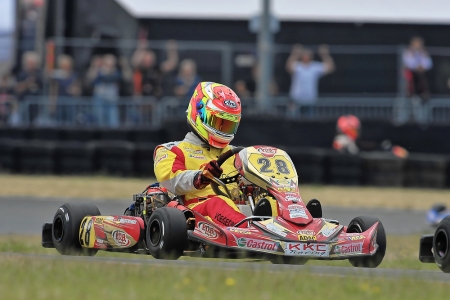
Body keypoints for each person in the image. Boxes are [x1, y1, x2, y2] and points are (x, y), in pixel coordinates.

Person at [153, 82, 248, 227]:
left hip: (235, 212)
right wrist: (201, 177)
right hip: (195, 215)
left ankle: (291, 232)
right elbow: (170, 181)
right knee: (218, 202)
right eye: (218, 122)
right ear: (199, 113)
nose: (223, 130)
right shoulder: (172, 149)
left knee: (271, 201)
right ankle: (249, 235)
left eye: (229, 125)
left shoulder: (238, 154)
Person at [286, 44, 335, 117]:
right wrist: (295, 54)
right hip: (296, 99)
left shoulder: (315, 67)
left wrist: (325, 55)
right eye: (304, 55)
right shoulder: (297, 65)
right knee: (292, 119)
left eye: (308, 55)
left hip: (310, 99)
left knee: (310, 120)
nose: (306, 57)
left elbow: (330, 68)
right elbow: (289, 67)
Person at [397, 37, 433, 124]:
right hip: (410, 82)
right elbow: (408, 62)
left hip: (420, 83)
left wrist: (421, 66)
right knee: (407, 102)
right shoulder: (408, 52)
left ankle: (422, 120)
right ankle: (404, 120)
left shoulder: (423, 53)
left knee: (422, 102)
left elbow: (428, 63)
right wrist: (417, 66)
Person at [88, 54, 122, 128]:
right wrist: (95, 67)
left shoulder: (116, 73)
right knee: (100, 121)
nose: (109, 66)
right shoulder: (99, 71)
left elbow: (123, 79)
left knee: (113, 122)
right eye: (107, 64)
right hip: (100, 99)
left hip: (112, 100)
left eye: (111, 64)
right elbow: (91, 79)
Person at [49, 54, 81, 125]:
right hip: (59, 102)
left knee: (71, 122)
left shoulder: (74, 76)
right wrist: (52, 104)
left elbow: (78, 89)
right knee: (59, 122)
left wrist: (74, 90)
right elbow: (54, 91)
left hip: (70, 102)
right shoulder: (56, 75)